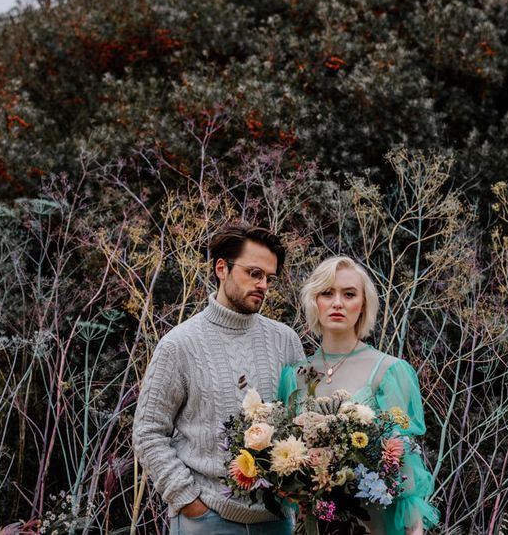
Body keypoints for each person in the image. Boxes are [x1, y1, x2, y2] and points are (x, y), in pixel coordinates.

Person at [133, 223, 305, 534]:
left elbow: (301, 420)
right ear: (222, 268)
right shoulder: (179, 345)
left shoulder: (286, 341)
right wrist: (188, 501)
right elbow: (148, 431)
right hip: (207, 519)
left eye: (269, 278)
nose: (263, 284)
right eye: (254, 273)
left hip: (276, 521)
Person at [278, 256, 440, 534]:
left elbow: (404, 462)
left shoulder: (389, 370)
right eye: (327, 293)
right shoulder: (294, 375)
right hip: (314, 523)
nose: (337, 302)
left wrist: (414, 530)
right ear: (314, 301)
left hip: (373, 523)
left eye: (349, 294)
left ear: (363, 303)